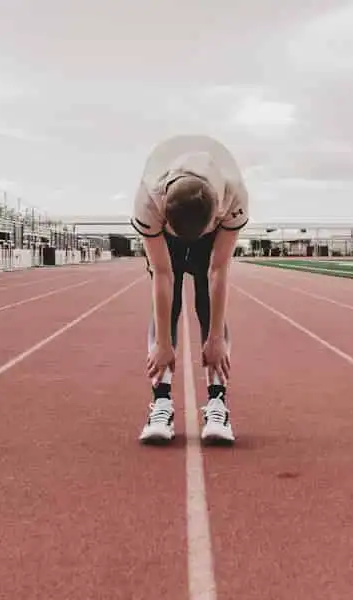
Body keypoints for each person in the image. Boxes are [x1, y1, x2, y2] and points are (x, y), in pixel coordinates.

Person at [132, 134, 248, 445]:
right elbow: (162, 273)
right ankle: (162, 402)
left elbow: (218, 270)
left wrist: (214, 340)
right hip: (166, 237)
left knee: (208, 307)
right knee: (166, 312)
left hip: (211, 235)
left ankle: (217, 402)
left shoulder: (234, 195)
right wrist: (164, 345)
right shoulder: (148, 201)